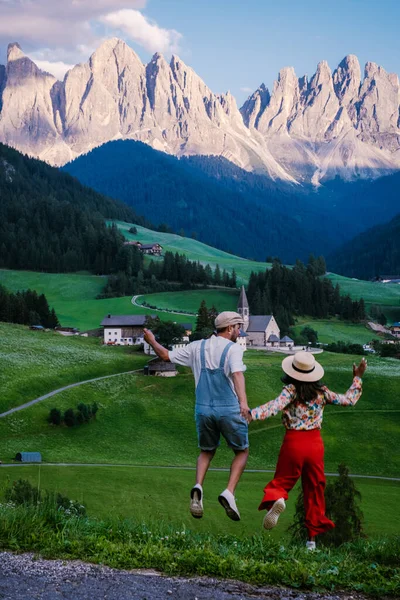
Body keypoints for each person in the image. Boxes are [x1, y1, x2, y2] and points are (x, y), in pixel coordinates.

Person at [250, 351, 367, 550]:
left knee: (282, 480)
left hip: (294, 443)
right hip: (315, 445)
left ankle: (277, 500)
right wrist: (357, 377)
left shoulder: (290, 390)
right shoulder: (322, 393)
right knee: (314, 488)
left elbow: (275, 406)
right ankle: (311, 541)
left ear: (291, 372)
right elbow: (348, 400)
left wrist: (251, 414)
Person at [143, 311, 251, 521]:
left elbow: (165, 356)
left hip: (203, 409)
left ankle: (198, 486)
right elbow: (237, 374)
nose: (239, 331)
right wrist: (243, 404)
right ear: (229, 329)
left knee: (206, 451)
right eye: (238, 327)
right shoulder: (234, 349)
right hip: (228, 408)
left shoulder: (196, 347)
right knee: (242, 451)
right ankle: (229, 492)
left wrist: (152, 340)